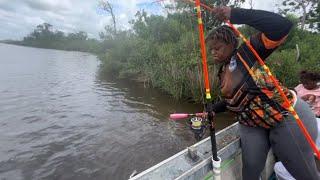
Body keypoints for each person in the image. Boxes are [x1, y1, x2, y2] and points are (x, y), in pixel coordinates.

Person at [206, 7, 319, 180]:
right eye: (211, 49)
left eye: (217, 48)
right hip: (252, 124)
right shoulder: (223, 71)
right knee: (250, 171)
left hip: (286, 115)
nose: (213, 52)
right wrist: (213, 109)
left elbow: (282, 26)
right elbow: (234, 101)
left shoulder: (248, 52)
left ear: (231, 43)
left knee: (303, 172)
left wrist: (235, 14)